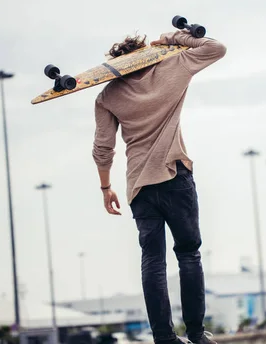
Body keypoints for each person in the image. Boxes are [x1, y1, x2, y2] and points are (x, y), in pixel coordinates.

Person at [92, 29, 227, 344]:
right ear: (145, 54)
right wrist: (173, 38)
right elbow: (215, 48)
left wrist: (105, 188)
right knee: (189, 254)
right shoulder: (174, 67)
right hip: (174, 177)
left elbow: (103, 147)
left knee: (153, 261)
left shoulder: (108, 96)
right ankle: (196, 333)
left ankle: (164, 338)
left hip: (139, 187)